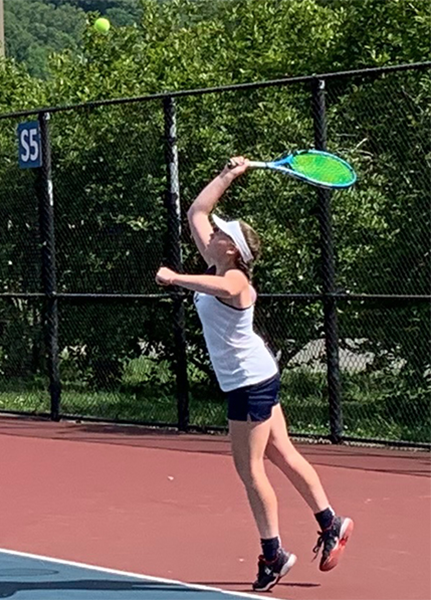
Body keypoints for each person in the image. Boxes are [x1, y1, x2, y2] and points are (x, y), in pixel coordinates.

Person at [155, 156, 353, 592]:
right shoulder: (216, 258)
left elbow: (225, 289)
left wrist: (175, 277)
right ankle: (331, 522)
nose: (216, 233)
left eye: (224, 234)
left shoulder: (236, 280)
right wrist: (228, 175)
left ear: (233, 249)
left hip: (249, 382)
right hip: (259, 374)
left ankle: (273, 554)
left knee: (250, 470)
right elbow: (197, 212)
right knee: (281, 452)